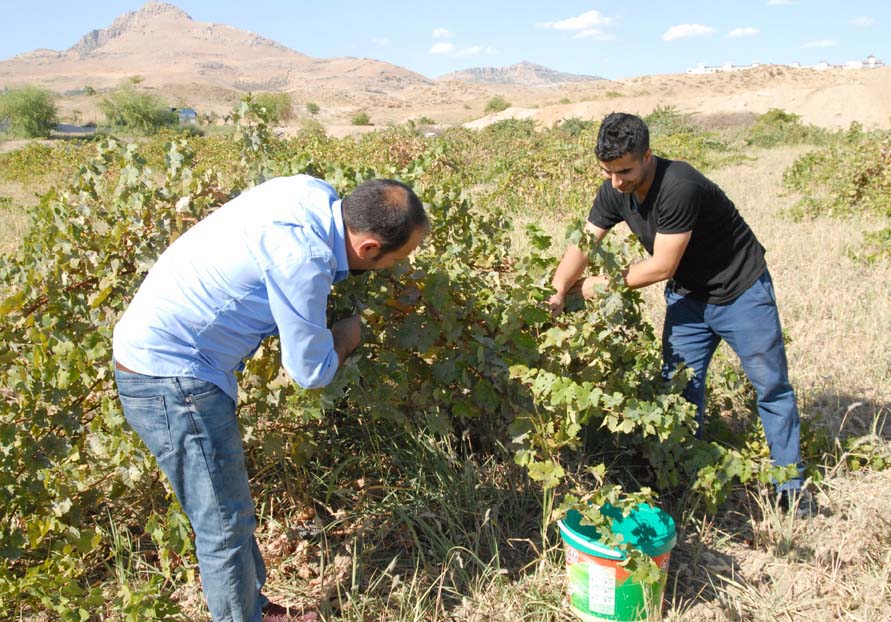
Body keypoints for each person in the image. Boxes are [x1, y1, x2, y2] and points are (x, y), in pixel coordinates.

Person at [113, 175, 428, 622]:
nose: (397, 268)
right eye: (398, 258)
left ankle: (255, 609)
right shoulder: (304, 259)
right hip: (171, 379)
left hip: (163, 357)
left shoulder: (308, 192)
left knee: (230, 512)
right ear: (370, 249)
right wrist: (345, 336)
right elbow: (309, 371)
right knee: (222, 524)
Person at [548, 112, 815, 518]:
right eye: (607, 172)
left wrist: (593, 287)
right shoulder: (613, 189)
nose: (617, 182)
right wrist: (558, 287)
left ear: (648, 156)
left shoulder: (680, 186)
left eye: (625, 171)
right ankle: (687, 475)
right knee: (678, 389)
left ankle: (790, 487)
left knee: (771, 387)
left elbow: (660, 266)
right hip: (688, 298)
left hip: (740, 291)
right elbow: (583, 243)